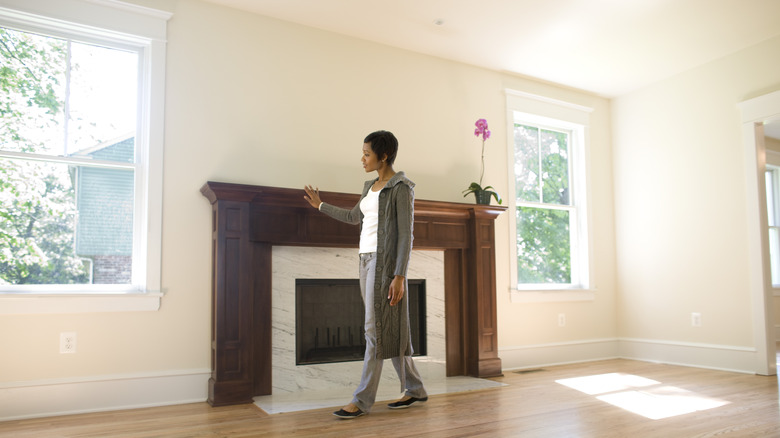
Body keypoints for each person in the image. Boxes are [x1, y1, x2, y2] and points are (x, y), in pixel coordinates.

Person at [303, 130, 428, 419]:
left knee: (374, 330)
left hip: (385, 266)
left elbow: (405, 236)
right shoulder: (369, 187)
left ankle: (361, 400)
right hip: (365, 261)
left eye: (367, 153)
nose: (362, 158)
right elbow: (353, 217)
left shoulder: (401, 188)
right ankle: (415, 388)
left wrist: (399, 276)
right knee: (389, 326)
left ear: (383, 156)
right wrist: (319, 205)